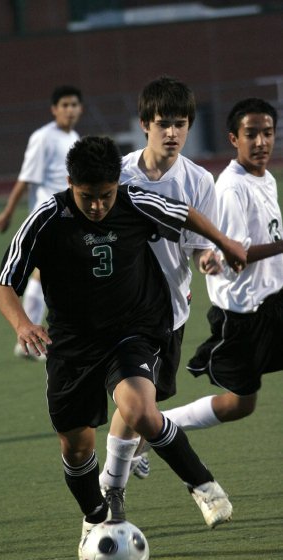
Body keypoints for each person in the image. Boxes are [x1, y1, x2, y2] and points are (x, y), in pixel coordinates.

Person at [0, 136, 247, 560]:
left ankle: (203, 486)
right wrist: (23, 324)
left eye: (106, 195)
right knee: (76, 447)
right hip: (72, 345)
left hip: (133, 331)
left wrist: (225, 243)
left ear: (117, 185)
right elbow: (4, 283)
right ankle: (95, 516)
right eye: (87, 197)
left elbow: (185, 215)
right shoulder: (47, 217)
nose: (97, 206)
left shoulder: (134, 201)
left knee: (141, 411)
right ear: (71, 183)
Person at [99, 76, 221, 493]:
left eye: (180, 124)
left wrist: (208, 259)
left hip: (170, 307)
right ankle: (111, 491)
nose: (172, 133)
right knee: (137, 401)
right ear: (144, 124)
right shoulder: (119, 176)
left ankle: (126, 458)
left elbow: (201, 246)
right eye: (163, 123)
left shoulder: (200, 182)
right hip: (122, 310)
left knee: (144, 405)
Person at [161, 98, 283, 433]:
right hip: (245, 315)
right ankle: (158, 426)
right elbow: (237, 256)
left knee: (241, 403)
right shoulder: (231, 189)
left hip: (274, 303)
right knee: (240, 404)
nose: (261, 142)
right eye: (251, 134)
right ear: (234, 139)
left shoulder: (265, 178)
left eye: (268, 133)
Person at [0, 85, 83, 360]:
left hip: (70, 215)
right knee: (47, 272)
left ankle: (30, 341)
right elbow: (26, 178)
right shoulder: (42, 138)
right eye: (64, 105)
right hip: (49, 215)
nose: (70, 110)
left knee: (45, 273)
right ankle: (29, 340)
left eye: (74, 105)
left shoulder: (75, 137)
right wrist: (8, 212)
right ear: (54, 109)